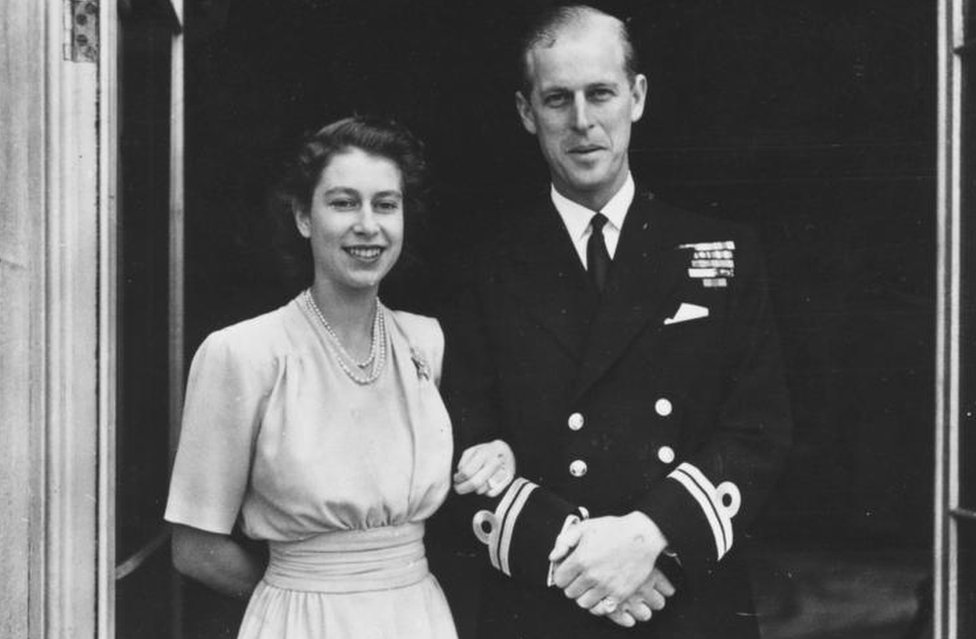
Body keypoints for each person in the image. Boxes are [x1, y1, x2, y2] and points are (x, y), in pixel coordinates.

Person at [441, 5, 792, 638]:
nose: (582, 122)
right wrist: (582, 557)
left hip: (686, 600)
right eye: (557, 99)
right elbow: (459, 445)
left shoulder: (722, 252)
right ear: (527, 113)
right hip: (543, 602)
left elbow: (759, 430)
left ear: (636, 97)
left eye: (600, 93)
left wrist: (649, 535)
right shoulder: (483, 268)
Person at [164, 116, 512, 639]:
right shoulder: (244, 353)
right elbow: (196, 549)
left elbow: (479, 471)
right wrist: (294, 595)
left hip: (417, 618)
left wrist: (501, 454)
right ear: (304, 216)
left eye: (385, 204)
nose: (367, 225)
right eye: (344, 202)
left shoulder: (428, 344)